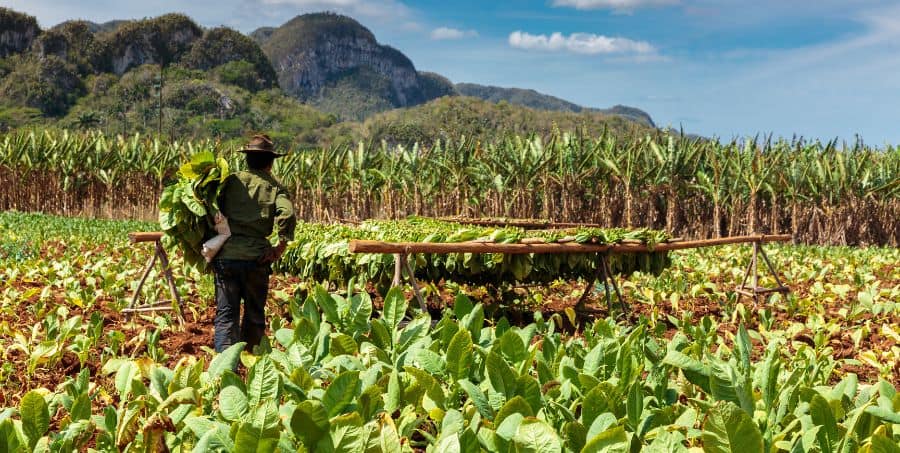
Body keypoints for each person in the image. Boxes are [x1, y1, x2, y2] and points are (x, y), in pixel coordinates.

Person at [212, 134, 296, 353]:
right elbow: (287, 214)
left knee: (226, 315)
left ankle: (225, 369)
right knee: (254, 315)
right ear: (270, 162)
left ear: (247, 159)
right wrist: (280, 247)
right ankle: (251, 365)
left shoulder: (230, 181)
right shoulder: (275, 187)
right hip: (257, 260)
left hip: (227, 256)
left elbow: (212, 210)